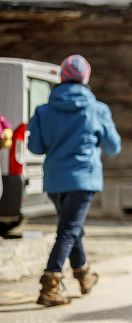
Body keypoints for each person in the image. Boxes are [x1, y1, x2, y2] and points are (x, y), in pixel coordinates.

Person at [28, 54, 121, 307]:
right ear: (86, 78)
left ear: (61, 77)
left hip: (55, 180)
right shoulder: (97, 109)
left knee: (71, 228)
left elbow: (35, 147)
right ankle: (50, 284)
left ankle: (84, 275)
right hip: (83, 178)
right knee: (68, 230)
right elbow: (113, 147)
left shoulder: (43, 111)